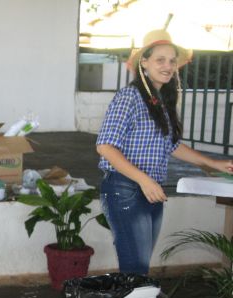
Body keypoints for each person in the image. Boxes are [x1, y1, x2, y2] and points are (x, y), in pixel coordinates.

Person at [96, 29, 233, 275]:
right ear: (144, 62)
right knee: (135, 269)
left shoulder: (160, 101)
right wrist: (144, 180)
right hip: (126, 189)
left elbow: (171, 145)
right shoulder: (129, 96)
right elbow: (105, 146)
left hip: (150, 189)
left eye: (172, 61)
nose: (168, 66)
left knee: (139, 269)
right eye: (160, 60)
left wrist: (213, 163)